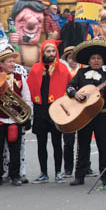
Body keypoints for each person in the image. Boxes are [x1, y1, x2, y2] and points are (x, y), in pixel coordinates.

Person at [66, 40, 106, 187]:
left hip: (102, 115)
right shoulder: (80, 73)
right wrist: (74, 93)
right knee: (82, 145)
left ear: (103, 61)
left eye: (99, 59)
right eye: (93, 58)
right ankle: (79, 175)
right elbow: (70, 86)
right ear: (89, 60)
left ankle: (105, 176)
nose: (96, 61)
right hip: (84, 115)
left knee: (104, 146)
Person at [0, 48, 33, 187]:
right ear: (1, 64)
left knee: (14, 150)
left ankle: (15, 176)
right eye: (9, 61)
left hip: (14, 120)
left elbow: (27, 99)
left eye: (13, 61)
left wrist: (28, 117)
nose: (12, 64)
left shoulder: (20, 78)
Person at [27, 40, 71, 183]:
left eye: (53, 51)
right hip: (40, 109)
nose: (51, 54)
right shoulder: (35, 69)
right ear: (43, 53)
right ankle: (43, 172)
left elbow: (70, 87)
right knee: (41, 142)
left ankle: (58, 171)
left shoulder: (63, 69)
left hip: (56, 109)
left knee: (57, 142)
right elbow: (29, 89)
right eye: (48, 51)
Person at [61, 46, 79, 178]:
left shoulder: (82, 72)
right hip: (67, 108)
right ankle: (68, 168)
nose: (72, 60)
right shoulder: (62, 72)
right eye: (69, 57)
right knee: (68, 140)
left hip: (81, 107)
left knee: (83, 141)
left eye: (74, 57)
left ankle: (85, 166)